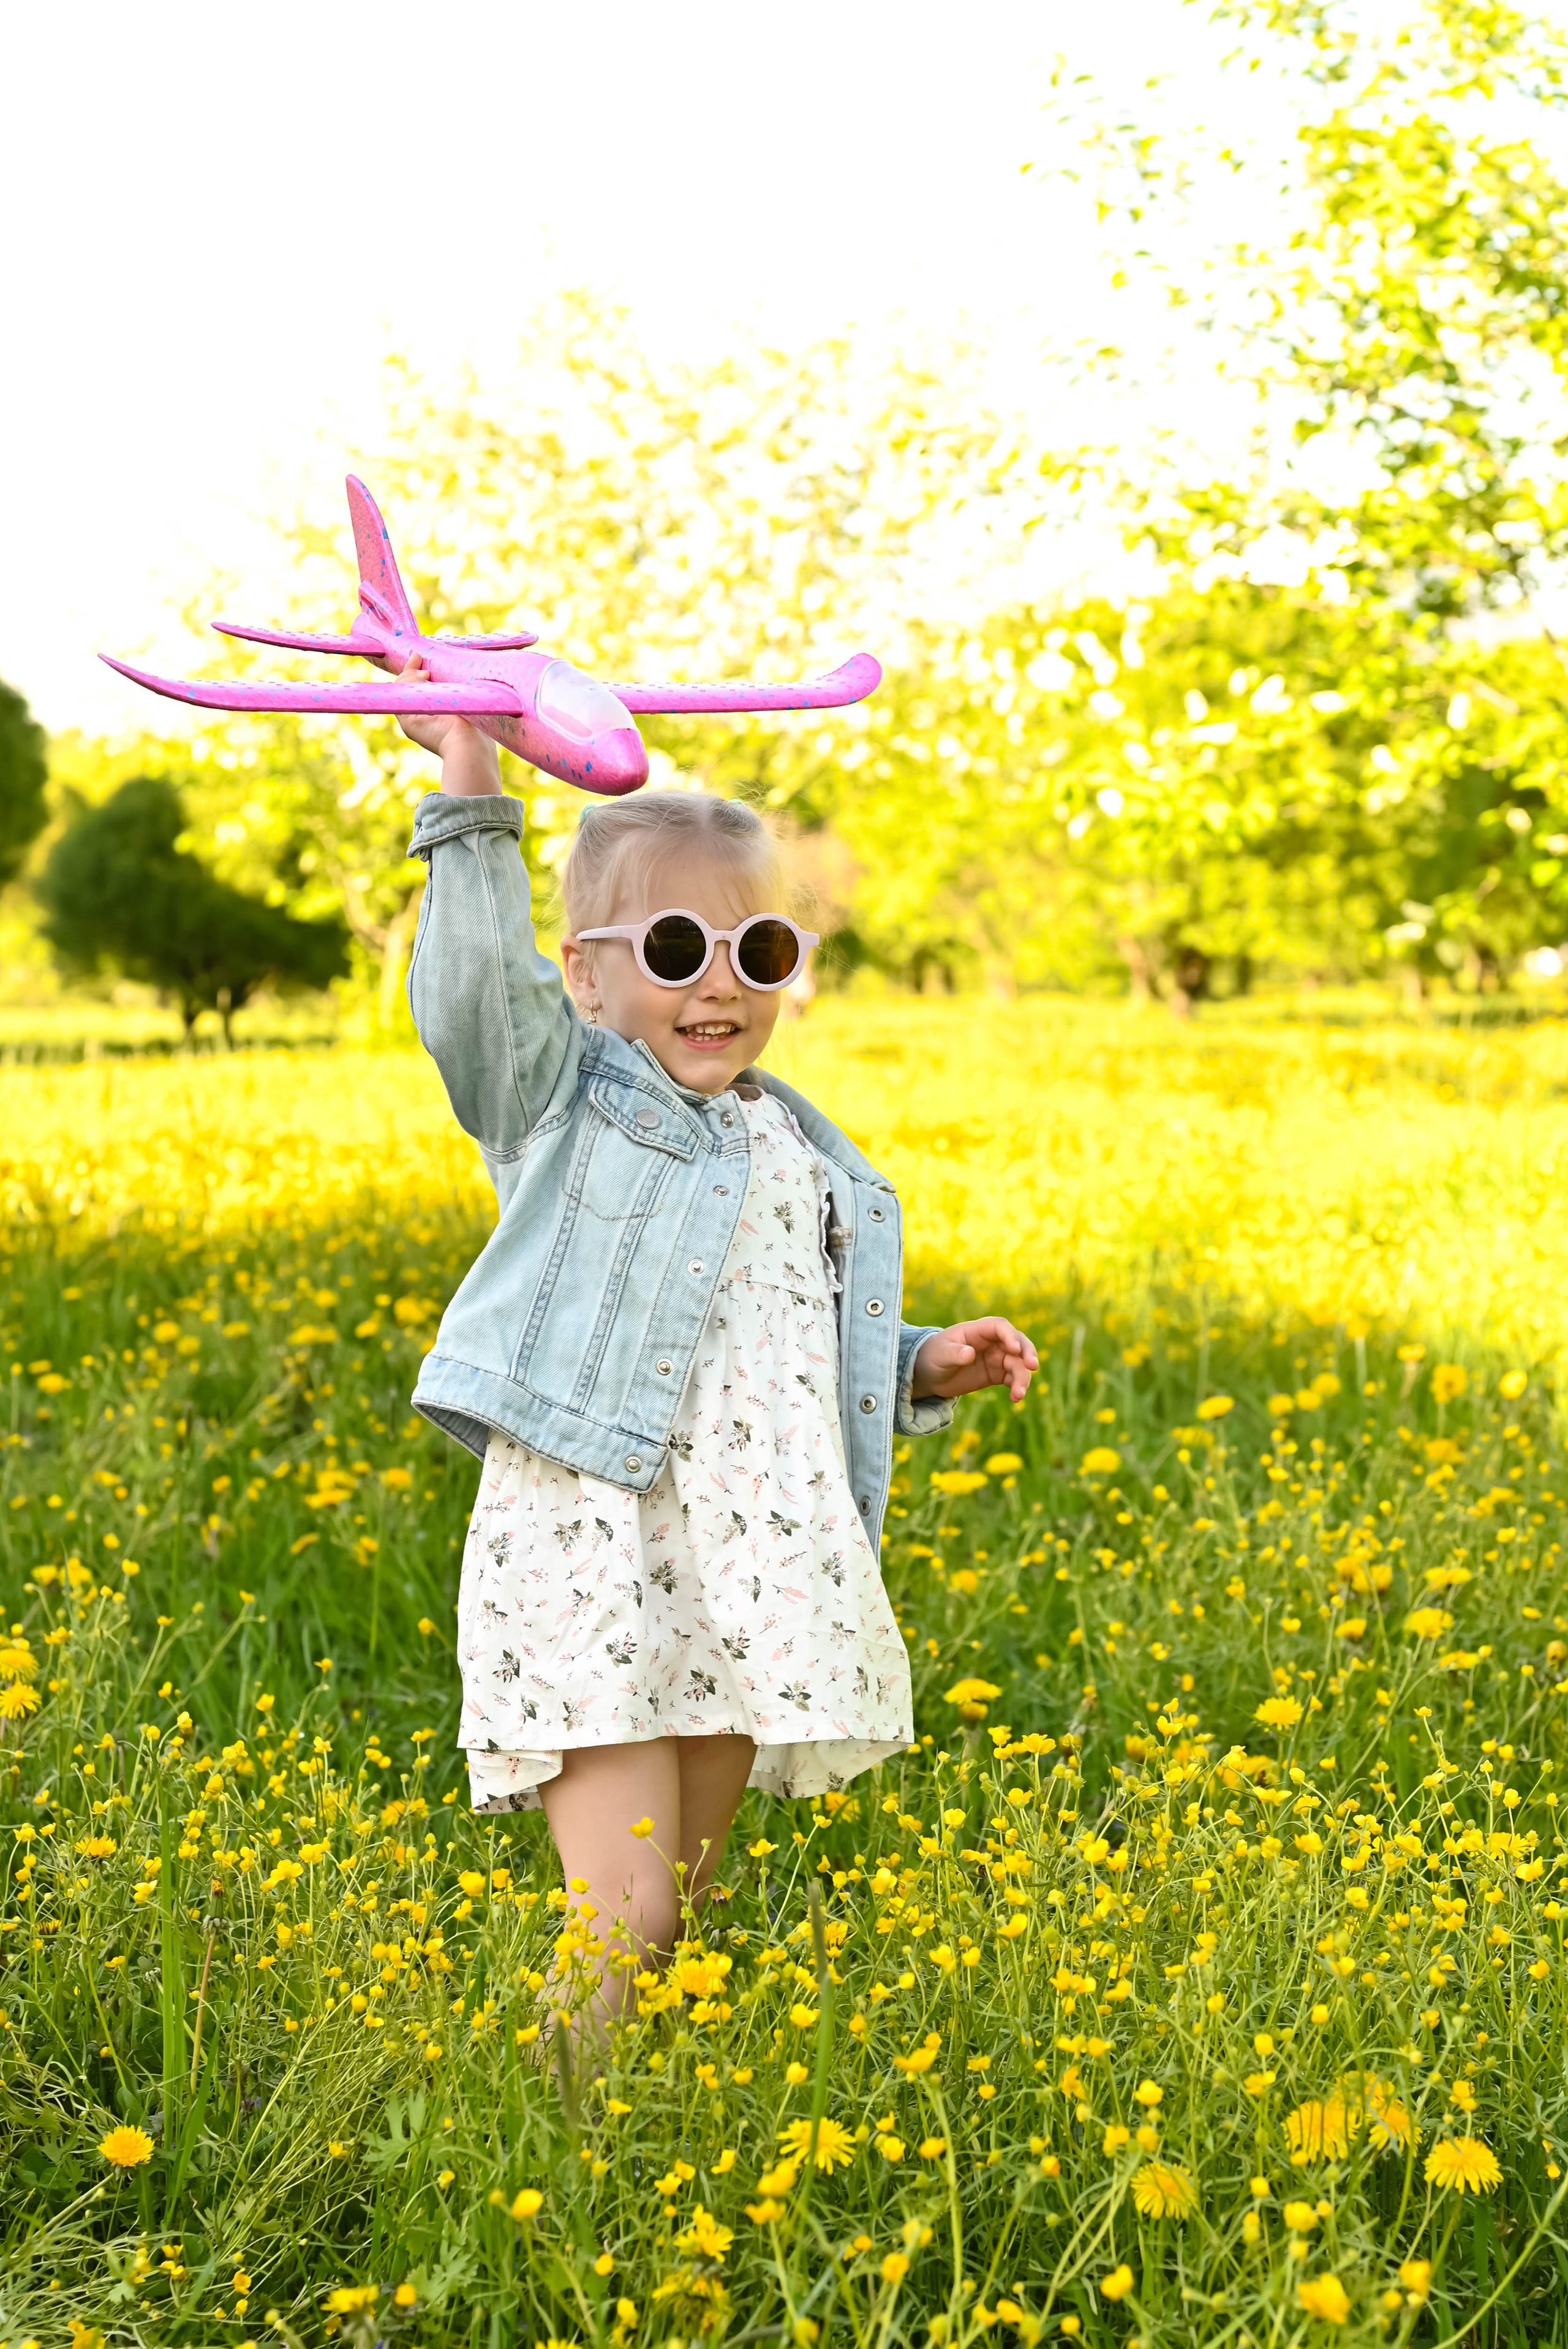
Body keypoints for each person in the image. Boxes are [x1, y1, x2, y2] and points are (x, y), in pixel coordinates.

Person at [396, 657, 1037, 2024]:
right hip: (595, 1548)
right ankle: (545, 2169)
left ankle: (621, 2161)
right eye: (677, 951)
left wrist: (924, 1358)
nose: (721, 986)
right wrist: (469, 780)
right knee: (618, 1917)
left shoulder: (791, 1139)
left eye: (761, 953)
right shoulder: (559, 1101)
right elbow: (465, 997)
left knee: (673, 1913)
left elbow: (782, 1322)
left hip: (741, 1559)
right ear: (585, 976)